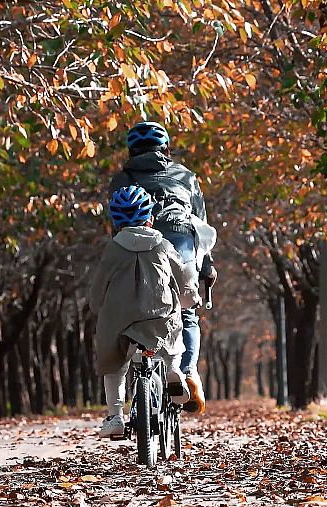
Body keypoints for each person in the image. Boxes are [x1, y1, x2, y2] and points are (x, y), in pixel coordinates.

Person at [108, 121, 217, 414]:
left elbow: (115, 224)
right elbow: (201, 225)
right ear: (166, 148)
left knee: (133, 306)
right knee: (187, 312)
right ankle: (188, 372)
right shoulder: (186, 176)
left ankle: (134, 378)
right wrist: (206, 267)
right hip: (182, 242)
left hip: (137, 244)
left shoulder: (121, 179)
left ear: (131, 150)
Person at [89, 185, 200, 438]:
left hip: (119, 322)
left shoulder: (113, 249)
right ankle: (174, 370)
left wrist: (97, 307)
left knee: (115, 366)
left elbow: (97, 290)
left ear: (115, 221)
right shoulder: (163, 245)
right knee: (173, 337)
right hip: (158, 317)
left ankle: (115, 415)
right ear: (150, 218)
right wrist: (190, 298)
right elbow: (183, 277)